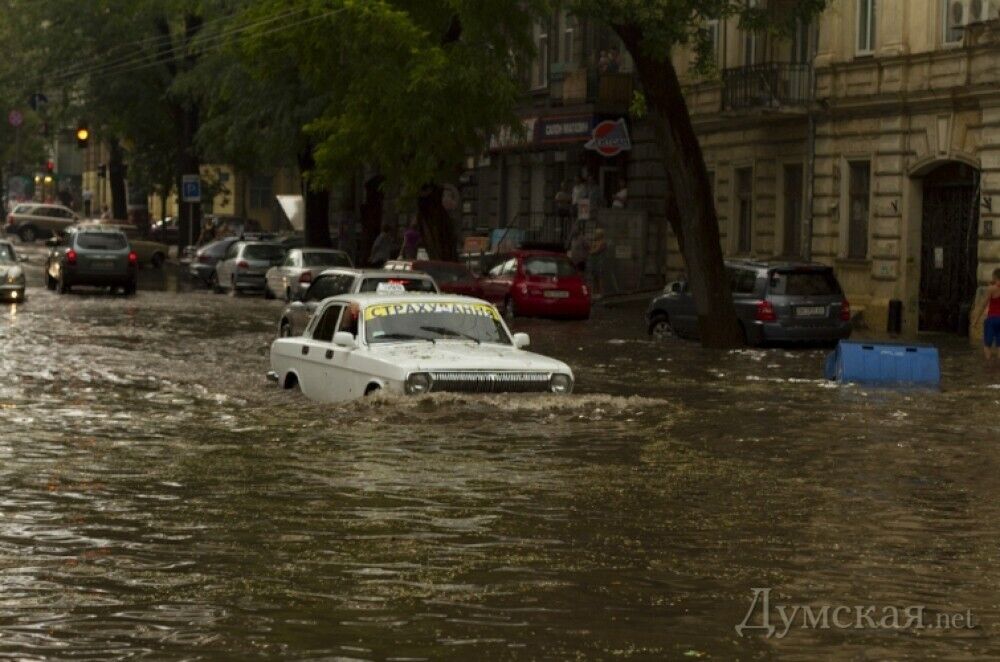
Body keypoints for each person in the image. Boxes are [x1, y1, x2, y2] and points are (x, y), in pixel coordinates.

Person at [976, 268, 1000, 362]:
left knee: (987, 344)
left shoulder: (991, 289)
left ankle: (988, 365)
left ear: (995, 277)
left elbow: (983, 305)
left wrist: (976, 319)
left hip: (992, 319)